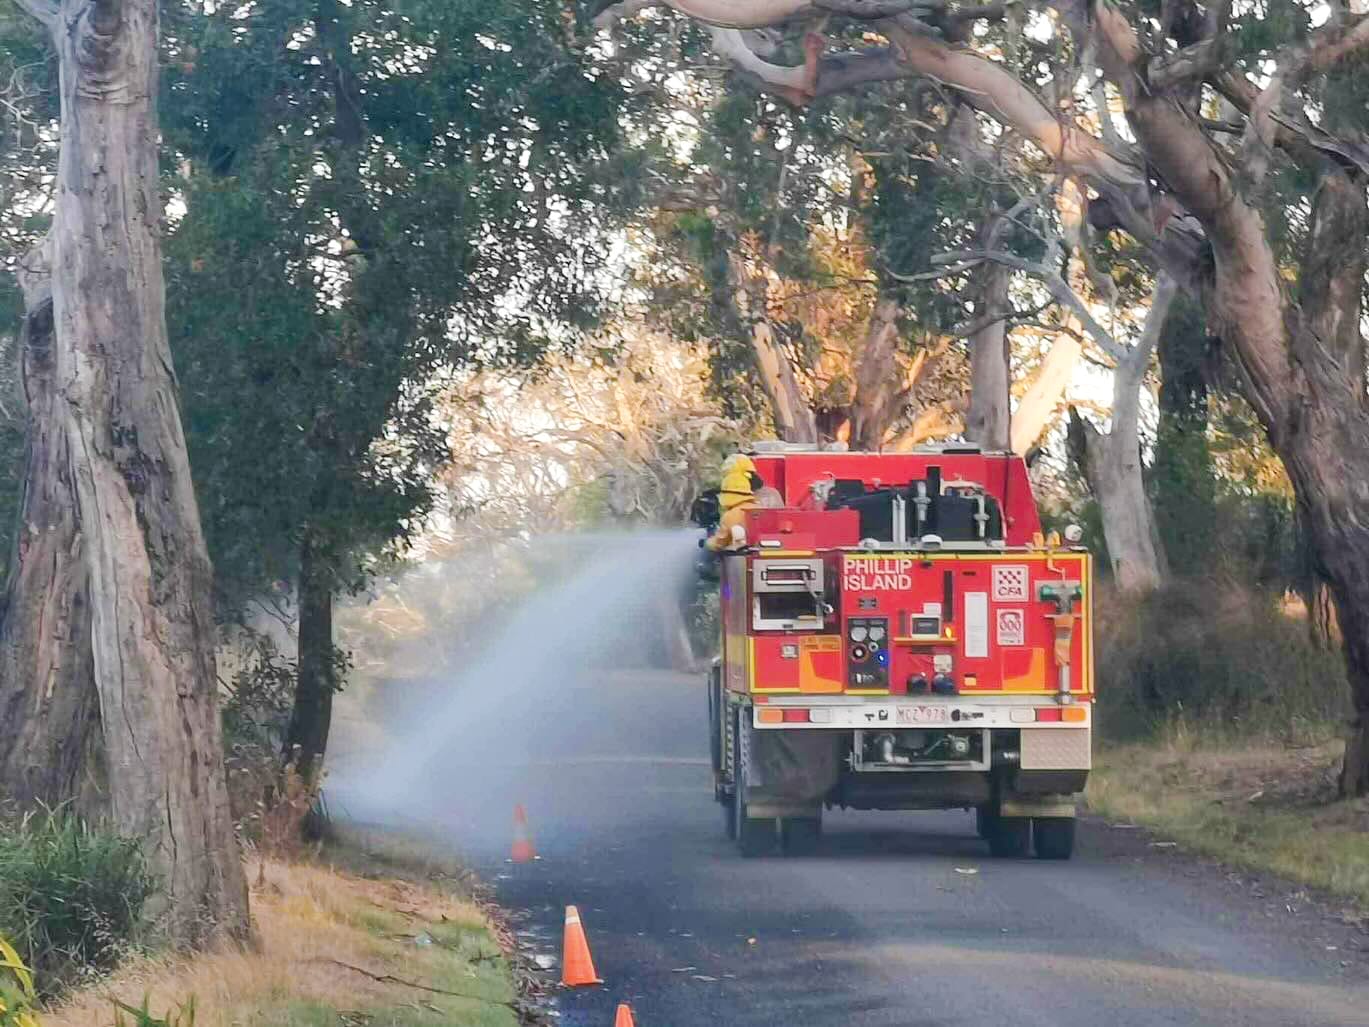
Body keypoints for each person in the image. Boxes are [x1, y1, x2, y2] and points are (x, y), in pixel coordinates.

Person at [705, 454, 760, 552]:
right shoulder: (759, 509)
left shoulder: (730, 516)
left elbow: (719, 543)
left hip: (738, 562)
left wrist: (707, 543)